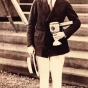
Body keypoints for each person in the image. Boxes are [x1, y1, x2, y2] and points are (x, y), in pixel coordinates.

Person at [27, 0, 81, 88]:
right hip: (41, 43)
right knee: (43, 77)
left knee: (57, 75)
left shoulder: (64, 3)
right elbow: (31, 24)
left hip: (58, 44)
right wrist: (30, 45)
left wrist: (64, 33)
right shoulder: (37, 2)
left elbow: (76, 22)